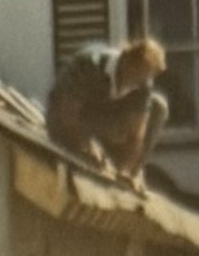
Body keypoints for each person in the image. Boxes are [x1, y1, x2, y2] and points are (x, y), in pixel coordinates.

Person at [46, 37, 169, 183]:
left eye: (144, 78)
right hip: (68, 120)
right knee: (76, 139)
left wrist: (125, 170)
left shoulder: (142, 84)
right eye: (137, 73)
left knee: (158, 106)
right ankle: (88, 152)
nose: (138, 82)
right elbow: (67, 115)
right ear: (126, 59)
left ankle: (130, 174)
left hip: (103, 123)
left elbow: (137, 134)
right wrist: (88, 148)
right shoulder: (89, 64)